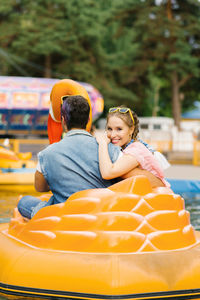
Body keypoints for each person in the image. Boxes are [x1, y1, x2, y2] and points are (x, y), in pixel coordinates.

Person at [17, 96, 121, 219]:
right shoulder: (110, 148)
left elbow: (40, 187)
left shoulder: (47, 154)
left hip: (64, 216)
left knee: (24, 202)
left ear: (63, 120)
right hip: (101, 213)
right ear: (88, 120)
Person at [96, 106, 171, 188]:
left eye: (119, 129)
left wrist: (103, 143)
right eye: (110, 129)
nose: (113, 135)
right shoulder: (130, 146)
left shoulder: (136, 150)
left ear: (131, 129)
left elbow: (107, 173)